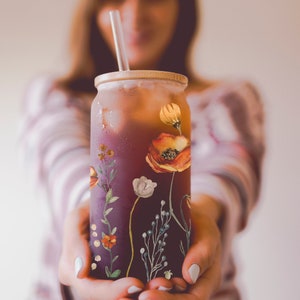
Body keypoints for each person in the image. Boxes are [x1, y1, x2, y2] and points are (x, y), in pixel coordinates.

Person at [19, 0, 265, 299]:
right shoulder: (53, 96)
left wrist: (201, 211)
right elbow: (59, 160)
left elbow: (231, 167)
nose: (134, 17)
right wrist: (93, 214)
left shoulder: (227, 99)